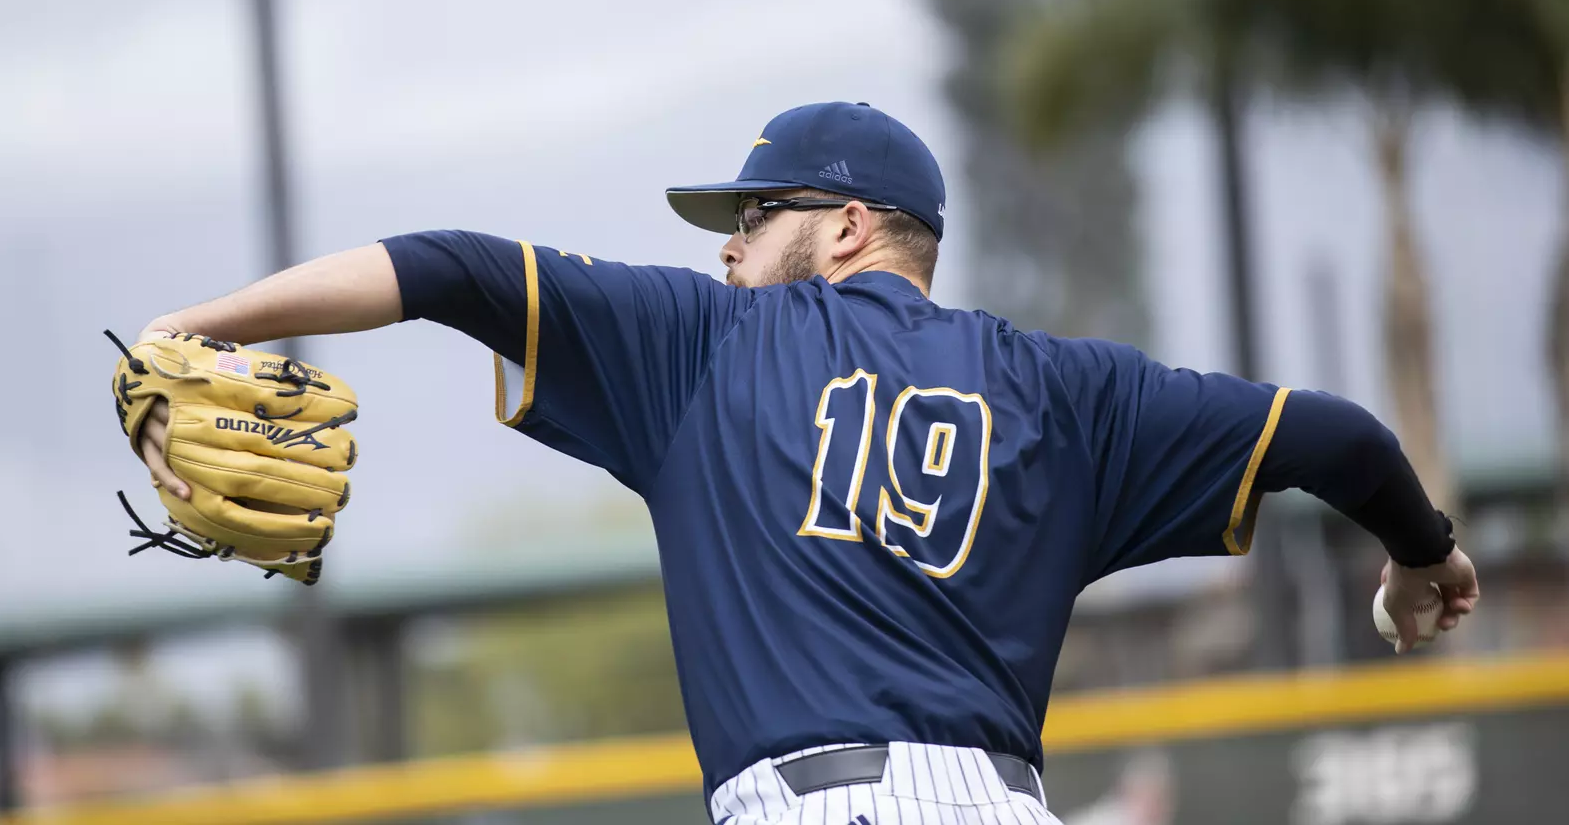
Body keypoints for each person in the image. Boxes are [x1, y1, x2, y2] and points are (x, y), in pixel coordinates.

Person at [129, 101, 1478, 825]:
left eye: (751, 215)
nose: (725, 244)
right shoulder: (1074, 394)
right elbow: (1333, 437)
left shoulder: (706, 344)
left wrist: (196, 325)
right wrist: (1422, 553)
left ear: (845, 228)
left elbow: (438, 269)